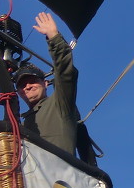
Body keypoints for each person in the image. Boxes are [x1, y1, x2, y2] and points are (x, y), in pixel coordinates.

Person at [13, 12, 83, 157]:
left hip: (60, 176)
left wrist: (54, 37)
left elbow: (65, 73)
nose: (28, 86)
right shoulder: (21, 124)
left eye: (32, 81)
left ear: (45, 83)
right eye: (22, 85)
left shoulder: (59, 104)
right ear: (19, 92)